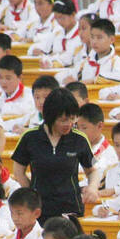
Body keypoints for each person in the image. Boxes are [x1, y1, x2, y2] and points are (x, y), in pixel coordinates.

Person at [11, 88, 94, 220]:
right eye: (63, 120)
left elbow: (92, 170)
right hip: (40, 211)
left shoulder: (79, 139)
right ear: (50, 117)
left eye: (72, 119)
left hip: (71, 209)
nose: (68, 124)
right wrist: (33, 195)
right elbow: (18, 171)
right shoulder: (30, 137)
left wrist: (92, 187)